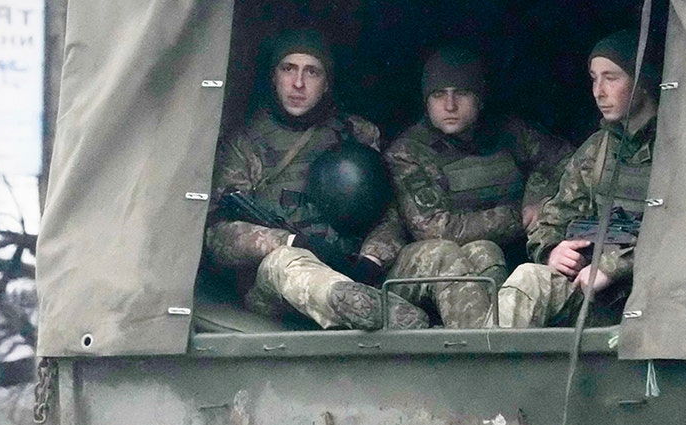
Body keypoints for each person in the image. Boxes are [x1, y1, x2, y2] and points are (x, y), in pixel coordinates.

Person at [204, 29, 429, 330]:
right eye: (288, 69)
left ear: (326, 84)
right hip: (279, 287)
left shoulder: (357, 134)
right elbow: (219, 237)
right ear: (274, 77)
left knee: (440, 255)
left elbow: (390, 214)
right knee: (285, 263)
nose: (298, 84)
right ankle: (362, 305)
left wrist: (371, 261)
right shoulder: (246, 144)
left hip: (358, 269)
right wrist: (291, 241)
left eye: (312, 72)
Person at [381, 45, 572, 328]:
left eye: (461, 93)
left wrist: (538, 193)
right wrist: (518, 216)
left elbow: (569, 161)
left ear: (480, 99)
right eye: (438, 95)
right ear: (426, 101)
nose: (449, 105)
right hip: (430, 271)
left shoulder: (509, 133)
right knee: (482, 251)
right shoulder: (409, 152)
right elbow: (437, 229)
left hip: (504, 263)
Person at [497, 29, 659, 328]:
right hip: (598, 298)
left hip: (661, 302)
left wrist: (613, 266)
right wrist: (553, 251)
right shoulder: (598, 150)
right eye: (594, 78)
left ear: (643, 81)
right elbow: (553, 219)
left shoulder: (680, 148)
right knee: (528, 280)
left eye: (611, 78)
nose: (599, 91)